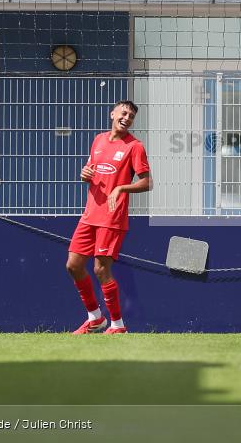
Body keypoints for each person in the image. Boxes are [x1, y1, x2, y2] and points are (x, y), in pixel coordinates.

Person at [67, 100, 152, 334]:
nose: (127, 118)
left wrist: (122, 188)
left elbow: (147, 182)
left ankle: (117, 325)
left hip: (112, 218)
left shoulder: (135, 146)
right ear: (112, 114)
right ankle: (95, 318)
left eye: (131, 116)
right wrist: (85, 174)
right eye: (123, 113)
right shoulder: (99, 140)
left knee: (101, 270)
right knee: (73, 265)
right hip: (89, 214)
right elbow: (92, 169)